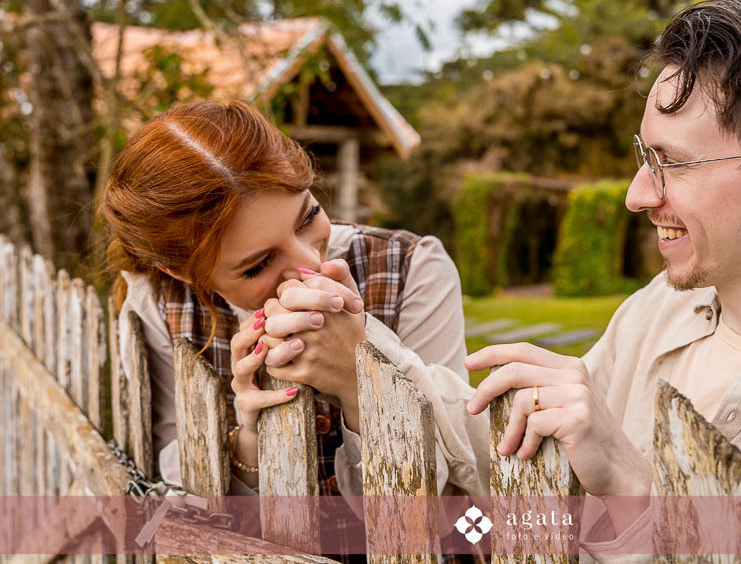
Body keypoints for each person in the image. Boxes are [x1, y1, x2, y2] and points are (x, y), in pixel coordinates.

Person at [316, 0, 741, 559]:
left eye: (671, 163)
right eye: (644, 155)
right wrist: (362, 371)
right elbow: (516, 465)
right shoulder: (660, 313)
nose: (638, 194)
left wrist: (636, 486)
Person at [101, 101, 468, 502]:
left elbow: (445, 499)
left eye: (308, 217)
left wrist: (355, 379)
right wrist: (250, 441)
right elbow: (173, 493)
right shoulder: (158, 301)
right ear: (184, 272)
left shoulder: (412, 269)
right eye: (259, 264)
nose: (312, 264)